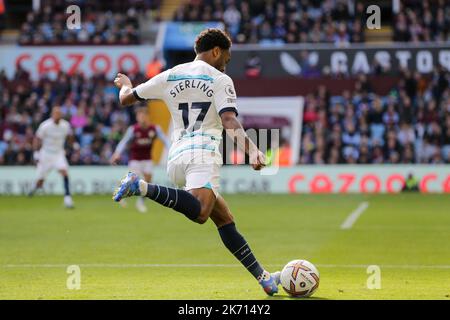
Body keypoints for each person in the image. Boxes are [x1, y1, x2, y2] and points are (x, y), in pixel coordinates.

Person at [112, 28, 280, 295]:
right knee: (202, 212)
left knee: (224, 218)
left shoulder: (170, 74)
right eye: (226, 57)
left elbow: (125, 99)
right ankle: (141, 187)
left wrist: (125, 85)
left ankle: (264, 278)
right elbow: (228, 120)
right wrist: (252, 151)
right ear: (216, 51)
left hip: (177, 158)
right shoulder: (219, 79)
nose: (227, 62)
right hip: (203, 154)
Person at [110, 107, 170, 212]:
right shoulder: (133, 129)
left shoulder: (155, 129)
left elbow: (165, 140)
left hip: (147, 159)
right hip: (135, 159)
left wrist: (172, 150)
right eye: (139, 116)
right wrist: (117, 153)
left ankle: (140, 202)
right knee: (131, 180)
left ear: (147, 117)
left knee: (148, 181)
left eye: (143, 115)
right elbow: (124, 142)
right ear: (137, 118)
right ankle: (120, 192)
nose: (141, 118)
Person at [28, 106, 74, 208]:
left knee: (64, 172)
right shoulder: (45, 126)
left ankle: (68, 198)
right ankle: (34, 188)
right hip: (46, 154)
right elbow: (37, 139)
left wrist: (72, 146)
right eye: (56, 113)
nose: (57, 115)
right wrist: (36, 154)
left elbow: (70, 136)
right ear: (52, 114)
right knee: (40, 180)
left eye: (59, 113)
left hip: (58, 154)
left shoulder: (65, 125)